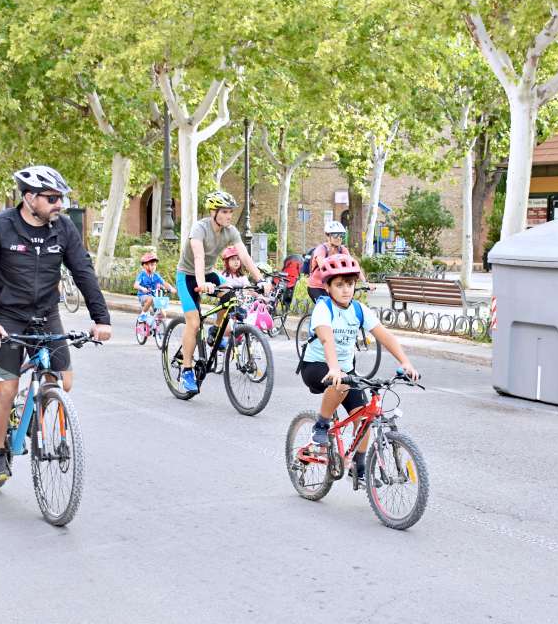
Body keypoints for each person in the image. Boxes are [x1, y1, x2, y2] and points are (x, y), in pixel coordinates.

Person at [0, 165, 112, 481]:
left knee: (62, 381)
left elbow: (83, 271)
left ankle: (35, 410)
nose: (60, 204)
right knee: (7, 387)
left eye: (61, 198)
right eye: (52, 198)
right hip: (5, 316)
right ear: (30, 198)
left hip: (46, 313)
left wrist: (101, 319)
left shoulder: (64, 228)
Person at [297, 253, 419, 482]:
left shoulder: (359, 309)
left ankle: (358, 465)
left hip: (343, 371)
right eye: (340, 285)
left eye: (350, 284)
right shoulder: (324, 308)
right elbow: (327, 340)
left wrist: (405, 362)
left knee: (364, 418)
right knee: (341, 381)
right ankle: (321, 426)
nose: (346, 290)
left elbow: (385, 336)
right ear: (328, 287)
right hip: (316, 367)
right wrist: (334, 368)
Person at [175, 190, 269, 395]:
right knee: (193, 322)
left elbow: (244, 255)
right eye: (225, 211)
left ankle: (216, 332)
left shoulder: (230, 231)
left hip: (208, 274)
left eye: (230, 212)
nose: (229, 215)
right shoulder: (200, 228)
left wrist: (259, 279)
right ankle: (187, 369)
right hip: (187, 276)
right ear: (214, 212)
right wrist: (202, 284)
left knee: (231, 296)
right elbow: (198, 257)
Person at [305, 220, 352, 303]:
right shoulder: (321, 249)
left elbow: (353, 266)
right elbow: (323, 266)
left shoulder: (343, 250)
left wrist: (365, 283)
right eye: (335, 235)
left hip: (332, 286)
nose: (339, 238)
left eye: (341, 235)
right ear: (328, 236)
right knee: (325, 307)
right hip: (317, 287)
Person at [134, 251, 174, 325]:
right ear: (145, 266)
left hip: (154, 296)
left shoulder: (156, 275)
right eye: (152, 265)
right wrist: (142, 288)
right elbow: (136, 285)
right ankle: (142, 314)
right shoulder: (142, 275)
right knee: (151, 298)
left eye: (155, 265)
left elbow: (164, 283)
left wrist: (171, 289)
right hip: (143, 296)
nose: (154, 267)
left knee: (163, 313)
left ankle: (156, 326)